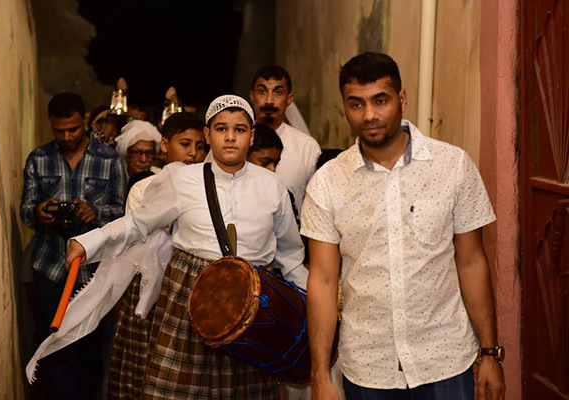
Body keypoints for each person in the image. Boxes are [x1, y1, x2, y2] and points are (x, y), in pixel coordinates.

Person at [65, 95, 307, 399]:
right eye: (221, 129)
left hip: (254, 307)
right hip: (191, 299)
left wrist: (314, 302)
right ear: (208, 134)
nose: (230, 137)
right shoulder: (182, 180)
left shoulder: (272, 186)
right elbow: (137, 224)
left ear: (252, 135)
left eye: (240, 129)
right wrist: (88, 243)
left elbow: (290, 256)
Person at [302, 52, 505, 400]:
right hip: (368, 367)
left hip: (445, 360)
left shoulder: (452, 166)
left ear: (402, 99)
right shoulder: (327, 183)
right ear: (345, 107)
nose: (369, 115)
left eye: (380, 100)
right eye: (356, 104)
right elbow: (322, 280)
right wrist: (320, 374)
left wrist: (489, 353)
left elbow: (472, 262)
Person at [20, 92, 127, 399]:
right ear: (50, 124)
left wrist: (95, 213)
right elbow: (26, 210)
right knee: (55, 349)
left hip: (94, 271)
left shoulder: (110, 161)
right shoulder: (39, 159)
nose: (66, 137)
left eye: (73, 129)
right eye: (59, 131)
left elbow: (123, 215)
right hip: (51, 267)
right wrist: (39, 212)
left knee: (91, 350)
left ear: (85, 121)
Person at [108, 111, 206, 400]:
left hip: (191, 290)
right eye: (185, 144)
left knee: (184, 374)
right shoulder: (143, 188)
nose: (193, 153)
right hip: (148, 289)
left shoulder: (208, 190)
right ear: (164, 145)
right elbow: (138, 242)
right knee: (143, 371)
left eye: (200, 146)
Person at [249, 65, 321, 214]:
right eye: (262, 91)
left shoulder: (307, 147)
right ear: (252, 96)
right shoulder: (237, 141)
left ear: (289, 99)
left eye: (278, 92)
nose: (269, 101)